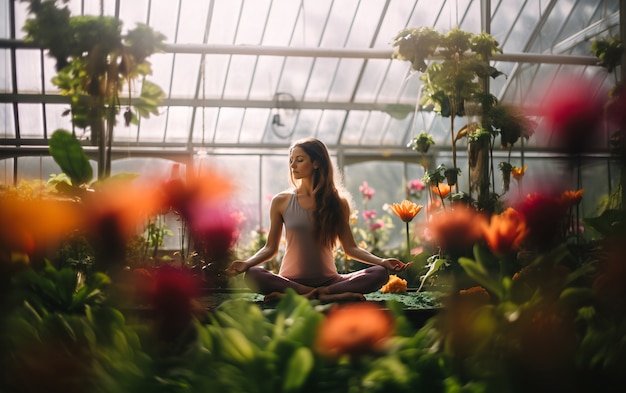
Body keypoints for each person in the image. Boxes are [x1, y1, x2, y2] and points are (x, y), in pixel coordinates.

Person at [225, 137, 411, 302]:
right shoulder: (281, 201)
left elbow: (350, 248)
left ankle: (306, 295)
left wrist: (382, 261)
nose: (293, 166)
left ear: (316, 163)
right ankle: (322, 294)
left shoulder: (338, 203)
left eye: (299, 160)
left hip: (331, 280)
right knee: (253, 274)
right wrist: (247, 263)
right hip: (290, 281)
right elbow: (270, 248)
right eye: (291, 161)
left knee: (379, 273)